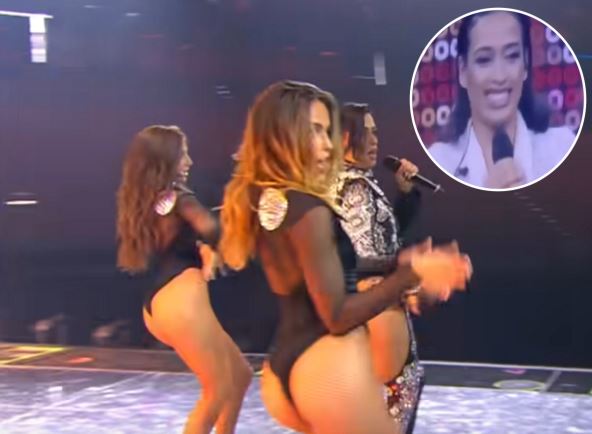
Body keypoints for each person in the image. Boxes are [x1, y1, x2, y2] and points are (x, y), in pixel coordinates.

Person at [219, 81, 471, 433]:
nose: (327, 144)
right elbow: (337, 315)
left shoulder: (269, 198)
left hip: (282, 368)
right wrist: (412, 273)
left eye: (327, 132)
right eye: (314, 131)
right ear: (282, 135)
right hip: (327, 367)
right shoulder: (311, 208)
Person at [116, 125, 252, 434]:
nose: (189, 162)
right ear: (165, 160)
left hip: (161, 304)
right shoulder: (180, 197)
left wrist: (204, 247)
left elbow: (186, 236)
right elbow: (212, 230)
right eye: (183, 155)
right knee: (218, 388)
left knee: (240, 375)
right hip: (181, 303)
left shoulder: (153, 200)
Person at [334, 102, 424, 432]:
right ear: (344, 137)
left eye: (375, 132)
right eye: (365, 132)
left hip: (372, 301)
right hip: (376, 303)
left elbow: (384, 237)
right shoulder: (354, 187)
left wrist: (406, 194)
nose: (374, 140)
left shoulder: (355, 180)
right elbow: (370, 256)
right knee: (398, 391)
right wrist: (413, 271)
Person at [427, 10, 576, 190]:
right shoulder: (439, 162)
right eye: (484, 59)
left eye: (512, 56)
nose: (499, 76)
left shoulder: (562, 148)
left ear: (525, 64)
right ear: (463, 71)